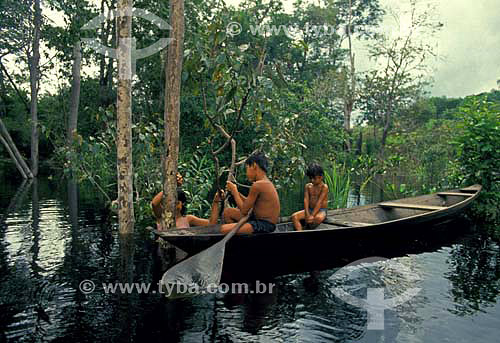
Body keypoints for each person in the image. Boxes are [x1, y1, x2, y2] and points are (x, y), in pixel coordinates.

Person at [221, 152, 280, 234]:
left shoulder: (258, 185)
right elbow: (248, 203)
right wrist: (236, 192)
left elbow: (244, 211)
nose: (246, 173)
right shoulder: (264, 182)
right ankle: (237, 234)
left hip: (264, 224)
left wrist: (234, 191)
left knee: (223, 230)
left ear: (254, 166)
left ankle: (236, 233)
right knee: (228, 212)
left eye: (247, 168)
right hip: (256, 219)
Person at [291, 163, 329, 231]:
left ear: (321, 177)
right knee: (294, 216)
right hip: (310, 209)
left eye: (314, 178)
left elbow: (319, 203)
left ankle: (307, 228)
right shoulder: (308, 186)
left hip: (321, 210)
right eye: (310, 178)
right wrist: (307, 213)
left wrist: (312, 215)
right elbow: (306, 200)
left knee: (318, 218)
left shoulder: (324, 187)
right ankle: (300, 232)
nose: (312, 180)